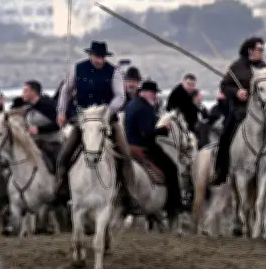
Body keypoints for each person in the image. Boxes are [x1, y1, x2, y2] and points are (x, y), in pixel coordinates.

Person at [55, 41, 132, 205]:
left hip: (108, 121)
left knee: (125, 155)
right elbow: (66, 91)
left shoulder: (114, 72)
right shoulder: (77, 68)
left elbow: (120, 96)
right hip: (84, 120)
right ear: (90, 55)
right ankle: (61, 188)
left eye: (102, 57)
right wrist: (61, 111)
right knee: (65, 154)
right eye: (97, 56)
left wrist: (107, 111)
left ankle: (129, 194)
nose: (99, 60)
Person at [214, 37, 266, 186]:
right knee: (226, 135)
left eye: (262, 50)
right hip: (240, 109)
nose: (262, 52)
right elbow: (225, 85)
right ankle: (221, 171)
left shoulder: (265, 68)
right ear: (250, 50)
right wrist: (236, 92)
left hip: (261, 111)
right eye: (259, 49)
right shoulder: (236, 67)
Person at [124, 80, 181, 215]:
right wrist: (163, 129)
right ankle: (173, 205)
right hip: (143, 146)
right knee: (172, 168)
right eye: (154, 93)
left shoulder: (131, 104)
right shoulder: (145, 108)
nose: (155, 96)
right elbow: (147, 133)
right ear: (147, 93)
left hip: (128, 145)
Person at [21, 80, 61, 167]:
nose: (22, 93)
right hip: (34, 144)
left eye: (25, 91)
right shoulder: (28, 107)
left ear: (33, 92)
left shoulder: (48, 105)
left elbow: (58, 124)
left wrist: (39, 129)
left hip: (53, 144)